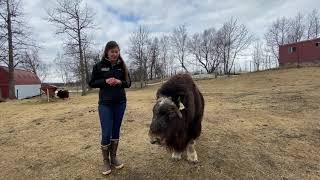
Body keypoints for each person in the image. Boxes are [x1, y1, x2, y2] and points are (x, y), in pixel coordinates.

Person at [89, 41, 131, 175]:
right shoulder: (99, 66)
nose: (114, 54)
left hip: (120, 103)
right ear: (107, 52)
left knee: (116, 131)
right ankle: (105, 161)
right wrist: (105, 81)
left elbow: (128, 83)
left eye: (117, 51)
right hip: (105, 104)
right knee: (106, 132)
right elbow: (91, 82)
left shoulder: (121, 66)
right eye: (112, 51)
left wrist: (119, 82)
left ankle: (113, 158)